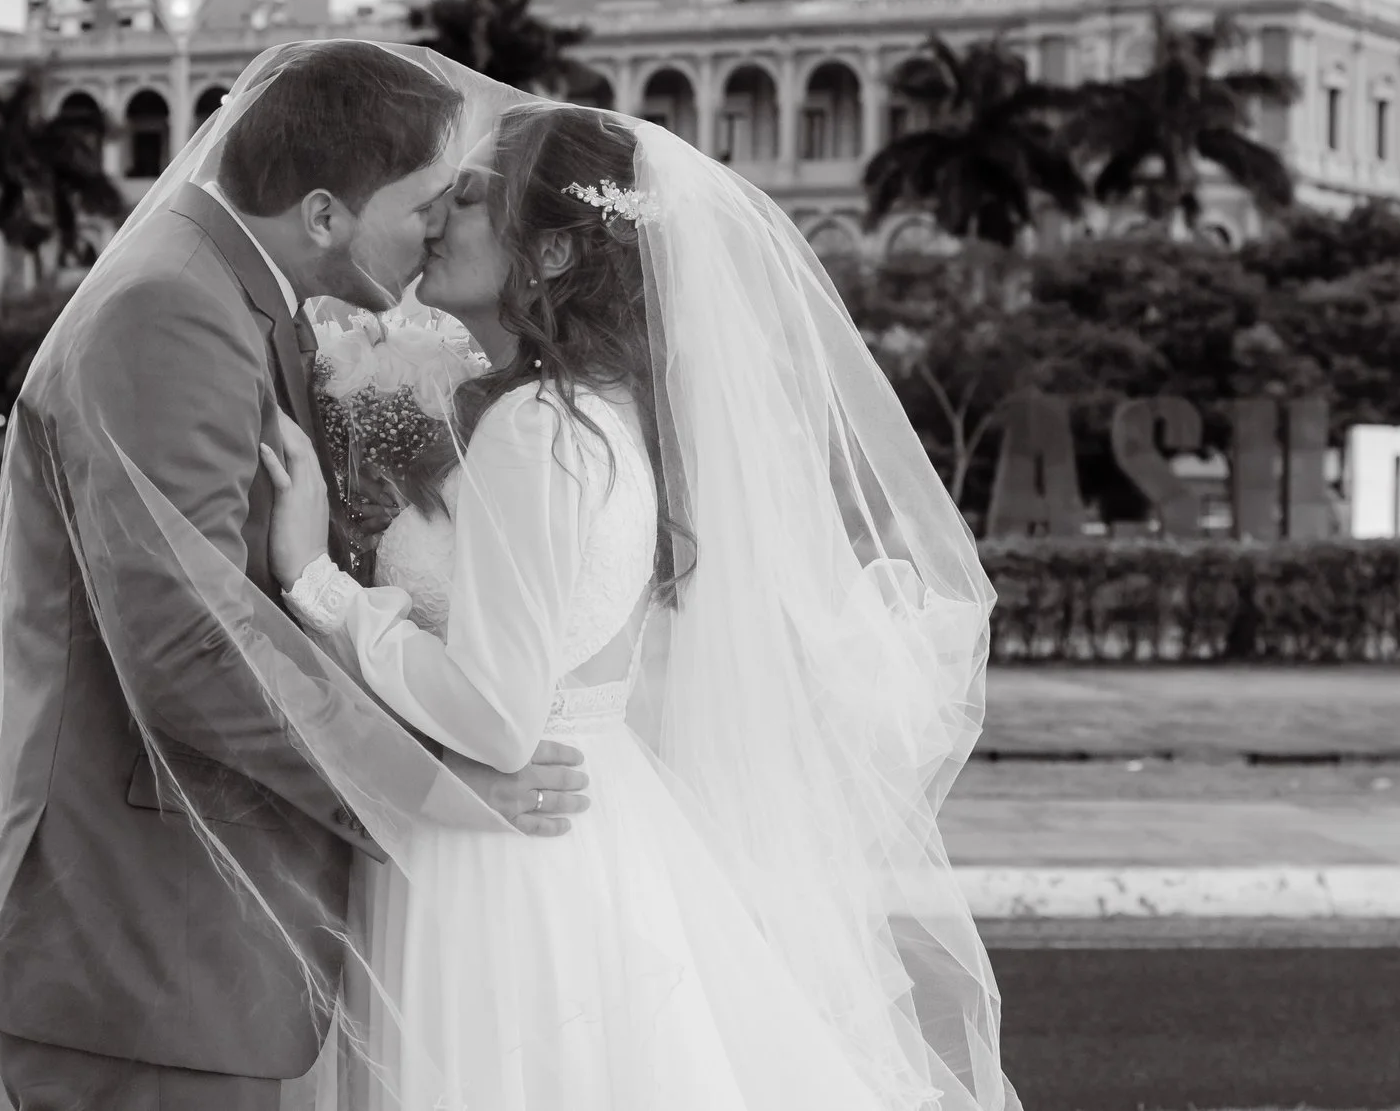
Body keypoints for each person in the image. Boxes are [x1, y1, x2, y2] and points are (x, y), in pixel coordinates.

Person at [259, 100, 1019, 1110]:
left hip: (508, 848)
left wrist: (317, 581)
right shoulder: (606, 412)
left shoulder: (538, 429)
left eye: (475, 196)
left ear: (557, 249)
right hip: (596, 819)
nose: (440, 214)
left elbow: (494, 710)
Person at [0, 42, 594, 1111]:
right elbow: (185, 640)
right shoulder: (174, 311)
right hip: (149, 939)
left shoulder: (226, 294)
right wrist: (429, 784)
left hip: (192, 941)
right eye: (427, 200)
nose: (443, 224)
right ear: (326, 213)